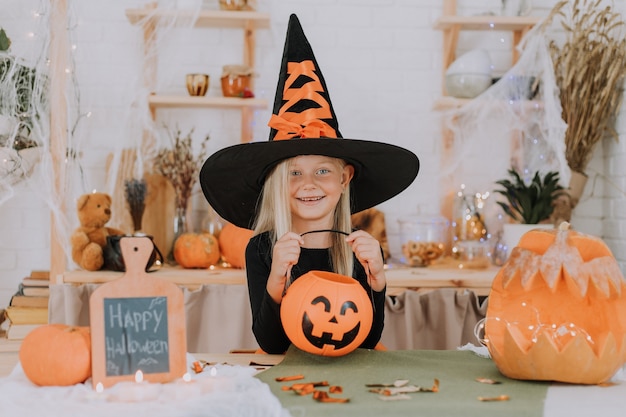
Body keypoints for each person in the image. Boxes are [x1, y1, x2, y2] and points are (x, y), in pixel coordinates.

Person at [200, 14, 419, 354]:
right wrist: (277, 277)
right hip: (285, 374)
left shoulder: (358, 251)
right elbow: (271, 344)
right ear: (276, 183)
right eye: (294, 172)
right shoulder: (261, 249)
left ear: (345, 178)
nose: (309, 184)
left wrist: (377, 281)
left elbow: (367, 339)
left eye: (322, 171)